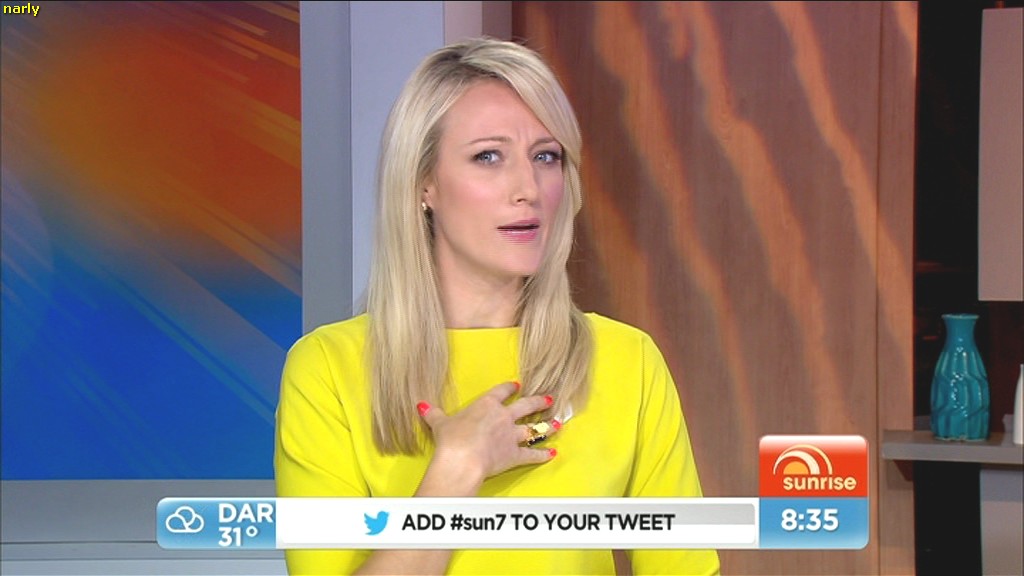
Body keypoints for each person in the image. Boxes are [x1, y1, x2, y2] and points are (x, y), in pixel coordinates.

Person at [274, 37, 720, 575]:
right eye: (489, 156)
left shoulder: (628, 361)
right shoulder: (328, 369)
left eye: (546, 156)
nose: (528, 187)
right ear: (423, 183)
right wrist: (455, 472)